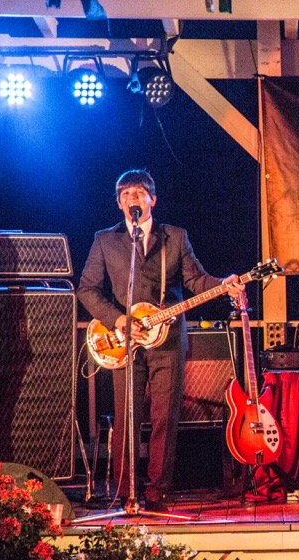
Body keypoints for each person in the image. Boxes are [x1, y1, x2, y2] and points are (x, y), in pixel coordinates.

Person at [77, 169, 241, 509]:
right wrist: (118, 320)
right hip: (124, 340)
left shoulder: (175, 237)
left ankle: (158, 491)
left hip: (167, 340)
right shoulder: (105, 240)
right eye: (124, 195)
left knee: (166, 416)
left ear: (152, 199)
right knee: (127, 416)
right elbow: (87, 289)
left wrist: (223, 284)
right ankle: (127, 491)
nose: (131, 199)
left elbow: (196, 280)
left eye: (138, 193)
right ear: (118, 203)